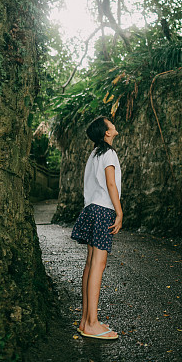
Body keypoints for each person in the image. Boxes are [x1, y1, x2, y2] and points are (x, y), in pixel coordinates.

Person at [70, 115, 122, 340]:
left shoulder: (94, 154)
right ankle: (91, 323)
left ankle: (86, 320)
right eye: (109, 123)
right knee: (98, 266)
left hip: (91, 208)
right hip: (103, 210)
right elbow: (111, 184)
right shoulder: (108, 153)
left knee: (91, 264)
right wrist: (119, 212)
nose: (113, 123)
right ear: (106, 133)